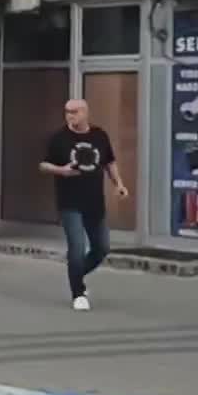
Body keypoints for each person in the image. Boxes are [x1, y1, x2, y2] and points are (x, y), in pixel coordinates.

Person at [40, 98, 128, 312]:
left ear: (86, 113)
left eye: (75, 112)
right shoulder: (59, 138)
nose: (70, 116)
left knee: (102, 248)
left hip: (94, 201)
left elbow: (109, 162)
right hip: (70, 202)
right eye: (67, 112)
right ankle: (78, 293)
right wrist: (61, 171)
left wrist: (119, 184)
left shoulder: (99, 135)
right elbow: (43, 165)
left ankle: (77, 274)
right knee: (77, 248)